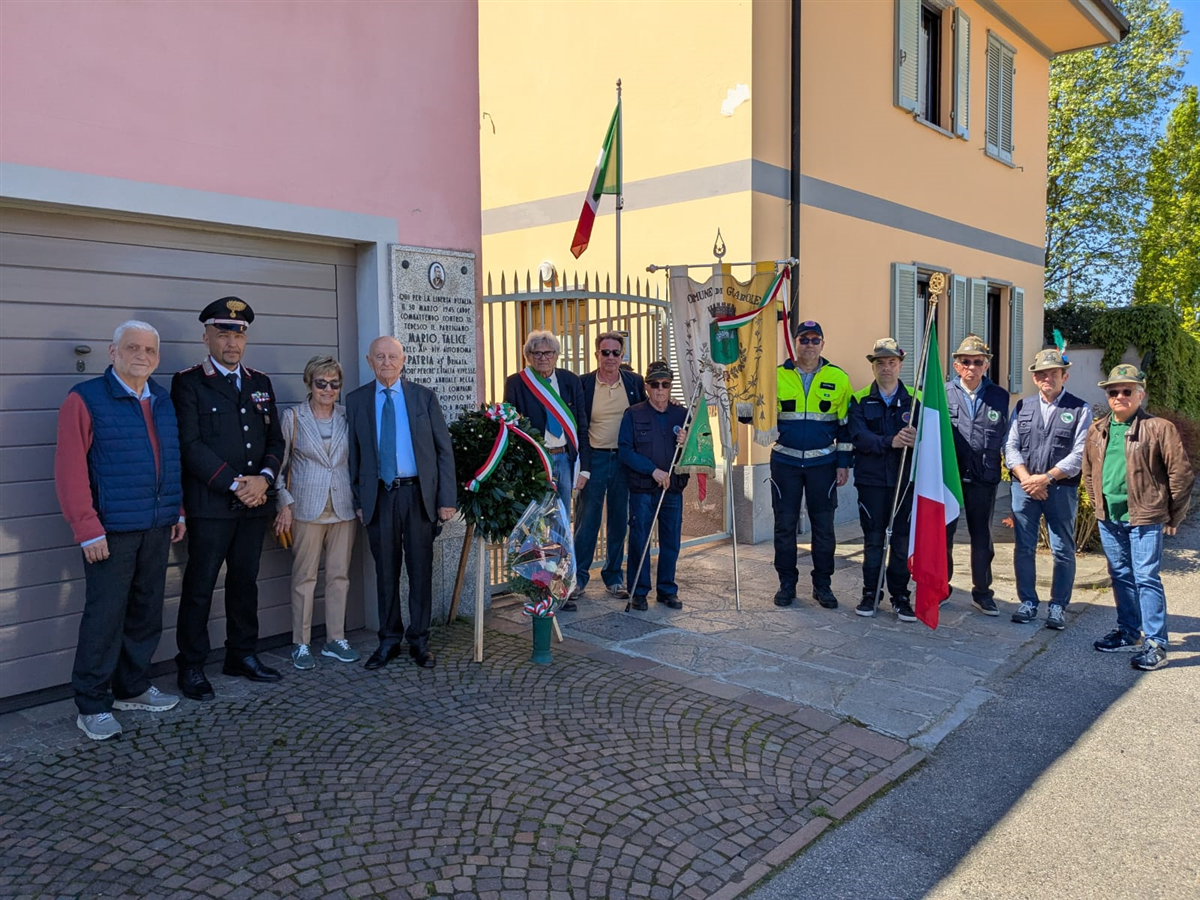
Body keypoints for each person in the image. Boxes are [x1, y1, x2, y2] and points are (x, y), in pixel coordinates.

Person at [54, 321, 186, 740]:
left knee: (146, 611)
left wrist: (177, 510)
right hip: (109, 531)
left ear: (157, 358)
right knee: (105, 617)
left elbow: (171, 459)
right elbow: (69, 468)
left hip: (156, 524)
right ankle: (92, 703)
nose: (141, 356)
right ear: (112, 352)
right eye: (132, 347)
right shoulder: (85, 399)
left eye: (149, 349)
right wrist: (86, 528)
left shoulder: (162, 399)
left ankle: (132, 687)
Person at [172, 297, 286, 700]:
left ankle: (242, 654)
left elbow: (275, 440)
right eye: (223, 334)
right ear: (206, 337)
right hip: (212, 507)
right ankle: (191, 666)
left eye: (238, 335)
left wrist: (265, 479)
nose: (231, 343)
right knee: (200, 587)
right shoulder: (188, 382)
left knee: (245, 583)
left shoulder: (260, 382)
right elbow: (190, 444)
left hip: (255, 505)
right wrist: (237, 482)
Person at [346, 336, 456, 670]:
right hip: (379, 497)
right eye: (379, 357)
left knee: (420, 570)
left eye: (392, 356)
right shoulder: (357, 400)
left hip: (418, 496)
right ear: (369, 362)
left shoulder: (424, 397)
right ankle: (388, 640)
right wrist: (359, 498)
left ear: (403, 359)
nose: (386, 362)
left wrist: (446, 499)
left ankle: (419, 641)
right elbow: (354, 454)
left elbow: (442, 451)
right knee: (386, 572)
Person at [1083, 365, 1193, 671]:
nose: (1119, 396)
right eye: (1113, 391)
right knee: (1120, 575)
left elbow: (1180, 475)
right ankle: (1129, 632)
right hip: (1110, 517)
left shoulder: (1159, 428)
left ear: (1140, 395)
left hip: (1145, 517)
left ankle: (1156, 643)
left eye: (1126, 391)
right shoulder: (1097, 429)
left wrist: (1173, 515)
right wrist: (1097, 505)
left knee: (1145, 578)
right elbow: (1089, 471)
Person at [273, 355, 359, 670]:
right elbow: (279, 466)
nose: (327, 389)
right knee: (304, 577)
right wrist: (283, 500)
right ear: (309, 383)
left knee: (339, 576)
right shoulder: (293, 417)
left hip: (343, 507)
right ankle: (302, 643)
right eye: (321, 383)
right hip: (305, 508)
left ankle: (336, 639)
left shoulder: (348, 417)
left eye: (334, 383)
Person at [1004, 348, 1092, 631]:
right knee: (1024, 548)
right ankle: (1028, 602)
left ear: (1064, 376)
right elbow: (1010, 446)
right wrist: (1028, 479)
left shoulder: (1080, 409)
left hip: (1060, 489)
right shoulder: (1022, 407)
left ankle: (1057, 607)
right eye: (1042, 374)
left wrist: (1046, 479)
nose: (1047, 378)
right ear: (1034, 378)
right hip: (1024, 488)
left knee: (1062, 549)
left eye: (1053, 373)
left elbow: (1079, 454)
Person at [769, 320, 853, 610]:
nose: (809, 345)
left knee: (824, 528)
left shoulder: (838, 378)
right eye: (803, 340)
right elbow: (759, 414)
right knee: (784, 527)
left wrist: (843, 464)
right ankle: (787, 584)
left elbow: (845, 427)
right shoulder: (775, 376)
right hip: (785, 462)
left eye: (814, 340)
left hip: (823, 465)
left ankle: (823, 585)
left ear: (822, 344)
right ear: (795, 343)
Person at [572, 331, 647, 608]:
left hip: (625, 459)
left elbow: (647, 410)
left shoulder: (634, 382)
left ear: (622, 355)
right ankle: (578, 578)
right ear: (596, 355)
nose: (611, 358)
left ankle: (614, 576)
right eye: (605, 352)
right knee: (587, 519)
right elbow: (577, 423)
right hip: (595, 459)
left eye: (616, 353)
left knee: (619, 520)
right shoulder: (583, 384)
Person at [849, 338, 919, 622]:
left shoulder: (917, 399)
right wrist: (890, 441)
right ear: (873, 366)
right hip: (872, 481)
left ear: (900, 365)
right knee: (874, 540)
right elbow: (858, 436)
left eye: (891, 362)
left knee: (901, 542)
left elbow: (932, 438)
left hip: (905, 482)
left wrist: (917, 439)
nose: (886, 368)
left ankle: (901, 597)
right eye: (880, 363)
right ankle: (870, 594)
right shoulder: (859, 398)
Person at [944, 335, 1010, 616]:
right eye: (966, 362)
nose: (972, 367)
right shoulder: (943, 393)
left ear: (986, 365)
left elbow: (1007, 437)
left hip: (984, 475)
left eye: (978, 362)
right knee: (944, 535)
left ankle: (982, 592)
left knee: (981, 536)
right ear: (957, 365)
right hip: (950, 475)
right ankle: (941, 587)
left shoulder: (999, 396)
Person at [619, 361, 689, 611]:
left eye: (665, 384)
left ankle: (667, 590)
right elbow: (625, 451)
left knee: (671, 541)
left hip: (673, 488)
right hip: (643, 488)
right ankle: (638, 590)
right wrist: (653, 470)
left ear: (670, 386)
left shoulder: (682, 414)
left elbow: (695, 452)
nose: (660, 389)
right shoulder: (634, 414)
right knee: (640, 540)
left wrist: (687, 440)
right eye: (655, 384)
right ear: (647, 386)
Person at [503, 330, 589, 517]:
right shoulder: (516, 382)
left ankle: (560, 548)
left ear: (556, 355)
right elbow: (511, 426)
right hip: (535, 460)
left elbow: (582, 425)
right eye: (537, 353)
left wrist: (585, 468)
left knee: (562, 517)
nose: (543, 358)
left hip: (565, 459)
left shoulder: (570, 380)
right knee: (535, 518)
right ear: (528, 356)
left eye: (548, 352)